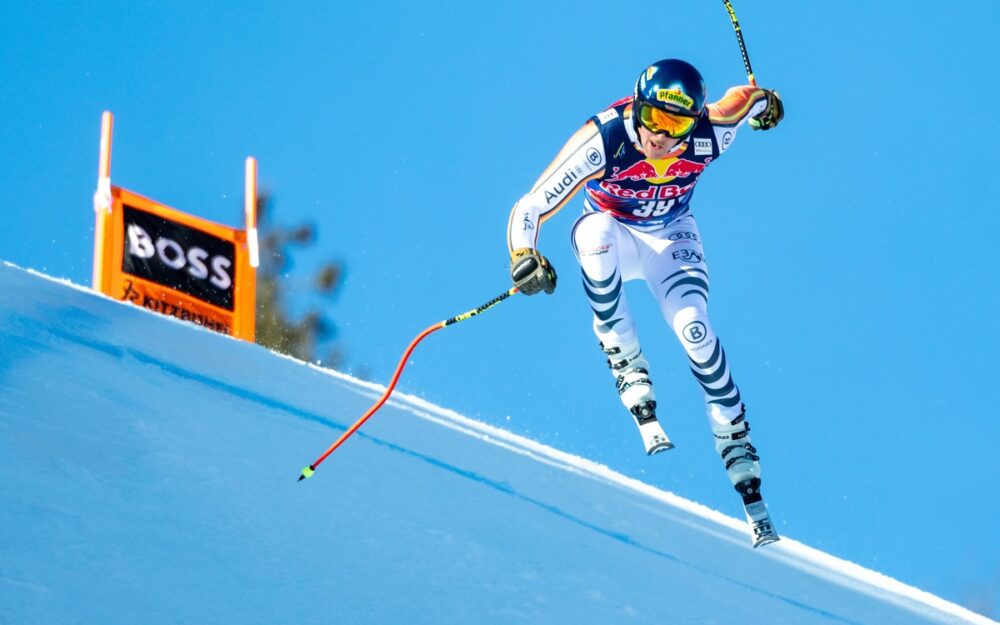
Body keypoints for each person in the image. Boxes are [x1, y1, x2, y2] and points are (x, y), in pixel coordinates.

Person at [506, 58, 784, 547]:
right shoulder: (606, 140)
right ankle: (625, 358)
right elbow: (531, 204)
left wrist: (767, 103)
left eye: (676, 124)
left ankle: (733, 432)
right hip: (614, 232)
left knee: (696, 331)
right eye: (653, 117)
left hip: (671, 238)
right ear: (637, 105)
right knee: (592, 235)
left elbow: (745, 100)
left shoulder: (709, 134)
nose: (660, 135)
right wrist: (523, 254)